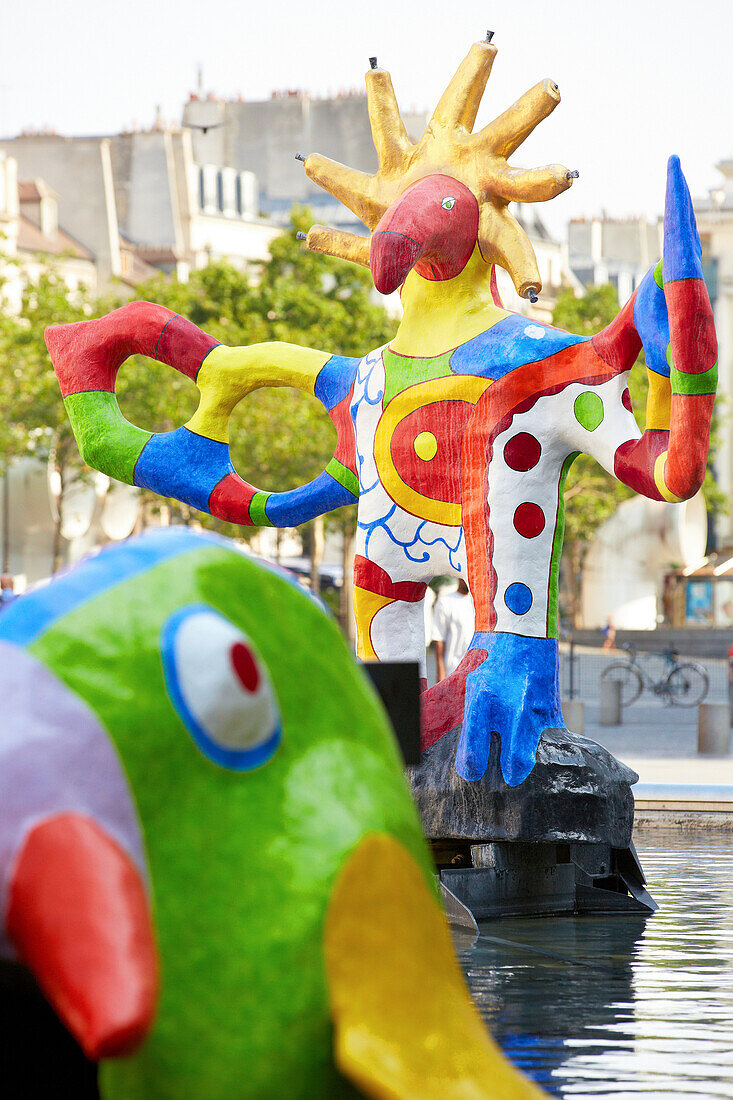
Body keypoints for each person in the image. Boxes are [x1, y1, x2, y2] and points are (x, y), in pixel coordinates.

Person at [432, 578, 475, 682]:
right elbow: (439, 639)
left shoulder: (478, 602)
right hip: (453, 670)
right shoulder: (445, 601)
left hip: (474, 672)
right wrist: (441, 672)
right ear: (460, 578)